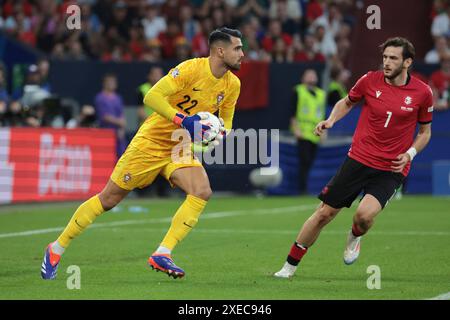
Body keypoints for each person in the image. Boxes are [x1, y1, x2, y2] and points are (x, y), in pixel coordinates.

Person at [41, 27, 243, 280]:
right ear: (220, 50)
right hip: (150, 142)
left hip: (179, 147)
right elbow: (152, 96)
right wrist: (184, 120)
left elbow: (227, 121)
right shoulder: (191, 69)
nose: (242, 54)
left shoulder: (232, 84)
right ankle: (56, 248)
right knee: (108, 200)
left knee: (202, 190)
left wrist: (219, 136)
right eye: (237, 48)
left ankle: (163, 253)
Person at [274, 37, 433, 278]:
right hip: (359, 159)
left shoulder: (423, 92)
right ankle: (288, 267)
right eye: (385, 57)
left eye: (393, 58)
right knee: (324, 214)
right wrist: (331, 120)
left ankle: (354, 236)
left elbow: (425, 132)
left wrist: (410, 154)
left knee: (363, 216)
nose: (387, 63)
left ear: (408, 62)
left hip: (391, 167)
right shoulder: (369, 80)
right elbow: (346, 102)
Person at [290, 69, 326, 194]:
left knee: (310, 161)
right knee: (304, 160)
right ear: (303, 78)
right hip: (303, 132)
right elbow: (292, 112)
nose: (311, 78)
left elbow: (322, 115)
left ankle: (303, 187)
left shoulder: (321, 94)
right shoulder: (299, 91)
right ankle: (302, 189)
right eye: (308, 75)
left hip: (315, 133)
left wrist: (324, 132)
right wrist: (296, 129)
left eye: (313, 75)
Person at [94, 73, 127, 158]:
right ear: (104, 83)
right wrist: (119, 122)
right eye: (109, 81)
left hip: (118, 135)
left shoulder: (118, 98)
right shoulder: (100, 98)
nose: (112, 83)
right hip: (106, 134)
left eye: (113, 81)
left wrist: (122, 129)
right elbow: (104, 116)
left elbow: (121, 114)